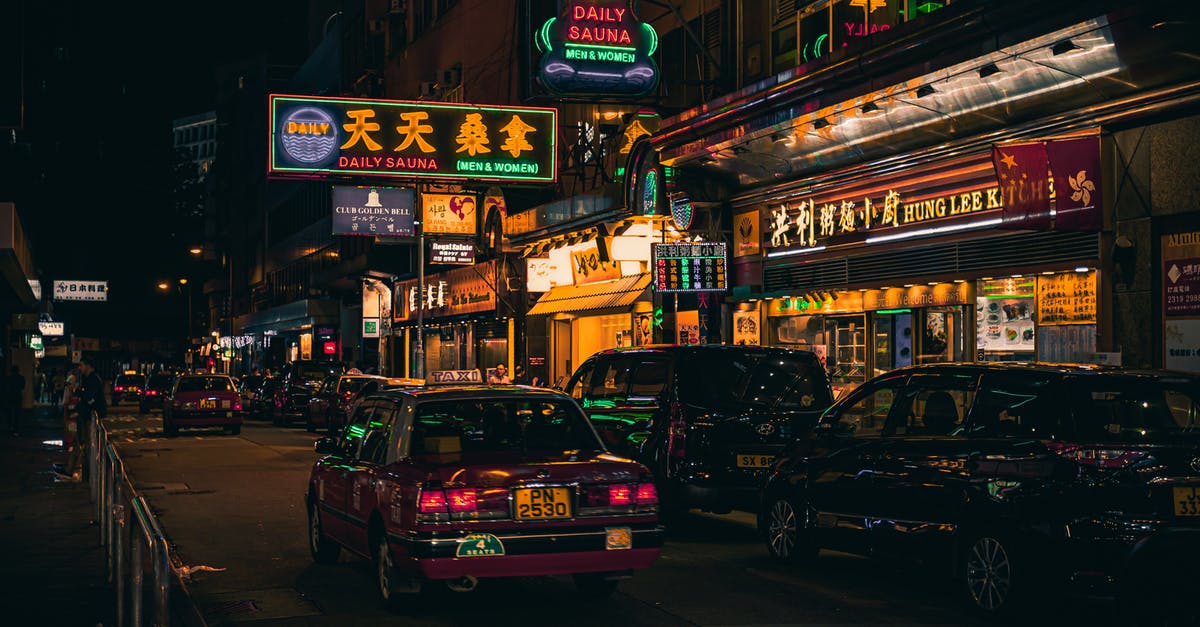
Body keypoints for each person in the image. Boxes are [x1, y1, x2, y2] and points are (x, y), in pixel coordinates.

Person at [5, 366, 25, 435]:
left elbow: (5, 386)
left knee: (9, 412)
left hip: (10, 396)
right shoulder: (21, 378)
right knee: (17, 412)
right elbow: (23, 387)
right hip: (18, 396)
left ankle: (10, 426)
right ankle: (16, 427)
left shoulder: (8, 378)